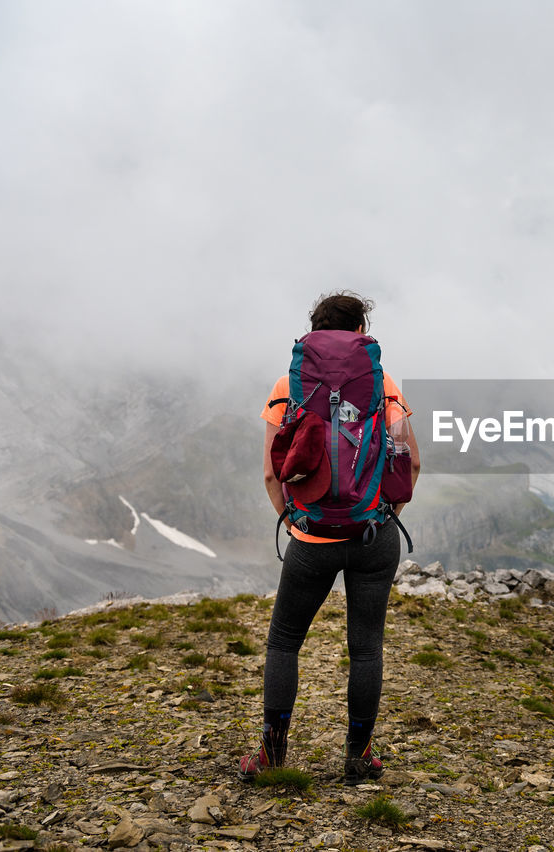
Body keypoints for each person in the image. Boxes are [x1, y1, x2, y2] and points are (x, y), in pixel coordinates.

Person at [240, 291, 420, 785]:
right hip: (372, 534)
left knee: (284, 643)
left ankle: (273, 757)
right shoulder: (383, 384)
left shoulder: (287, 385)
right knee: (365, 648)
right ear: (362, 332)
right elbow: (411, 462)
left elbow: (272, 475)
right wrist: (383, 514)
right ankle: (358, 757)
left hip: (310, 539)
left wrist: (298, 522)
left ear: (313, 332)